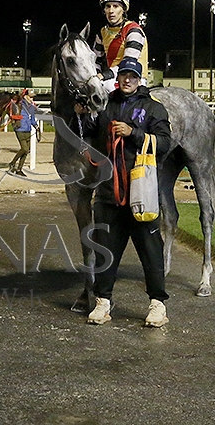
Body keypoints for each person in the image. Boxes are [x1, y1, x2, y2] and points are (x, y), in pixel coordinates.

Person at [74, 57, 172, 327]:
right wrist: (81, 115)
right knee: (105, 249)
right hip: (109, 192)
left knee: (151, 250)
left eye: (132, 75)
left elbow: (165, 143)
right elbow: (88, 133)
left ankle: (158, 304)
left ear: (139, 79)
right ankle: (103, 301)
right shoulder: (106, 105)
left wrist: (133, 133)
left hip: (141, 191)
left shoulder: (154, 108)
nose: (127, 79)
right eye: (124, 75)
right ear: (118, 79)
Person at [92, 0, 150, 92]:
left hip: (133, 77)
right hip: (111, 78)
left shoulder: (134, 30)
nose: (111, 11)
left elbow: (129, 62)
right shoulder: (102, 33)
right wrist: (95, 76)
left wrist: (104, 76)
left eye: (115, 6)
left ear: (123, 9)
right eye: (107, 6)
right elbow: (96, 61)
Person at [8, 89, 38, 176]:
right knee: (24, 148)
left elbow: (32, 118)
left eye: (33, 97)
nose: (32, 99)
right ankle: (12, 163)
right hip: (20, 128)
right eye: (30, 97)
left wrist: (36, 125)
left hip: (28, 129)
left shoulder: (32, 107)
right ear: (25, 96)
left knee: (26, 150)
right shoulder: (19, 104)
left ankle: (19, 169)